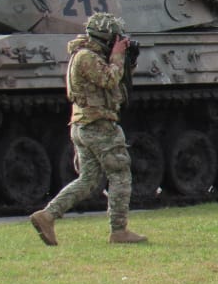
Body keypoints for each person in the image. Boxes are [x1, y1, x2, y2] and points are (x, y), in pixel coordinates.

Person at [30, 12, 147, 245]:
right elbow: (109, 80)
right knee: (120, 173)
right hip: (97, 125)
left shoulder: (89, 55)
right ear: (106, 37)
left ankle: (47, 216)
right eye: (116, 38)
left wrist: (128, 62)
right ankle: (119, 230)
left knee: (89, 180)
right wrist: (117, 56)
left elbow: (115, 85)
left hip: (86, 125)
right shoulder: (86, 57)